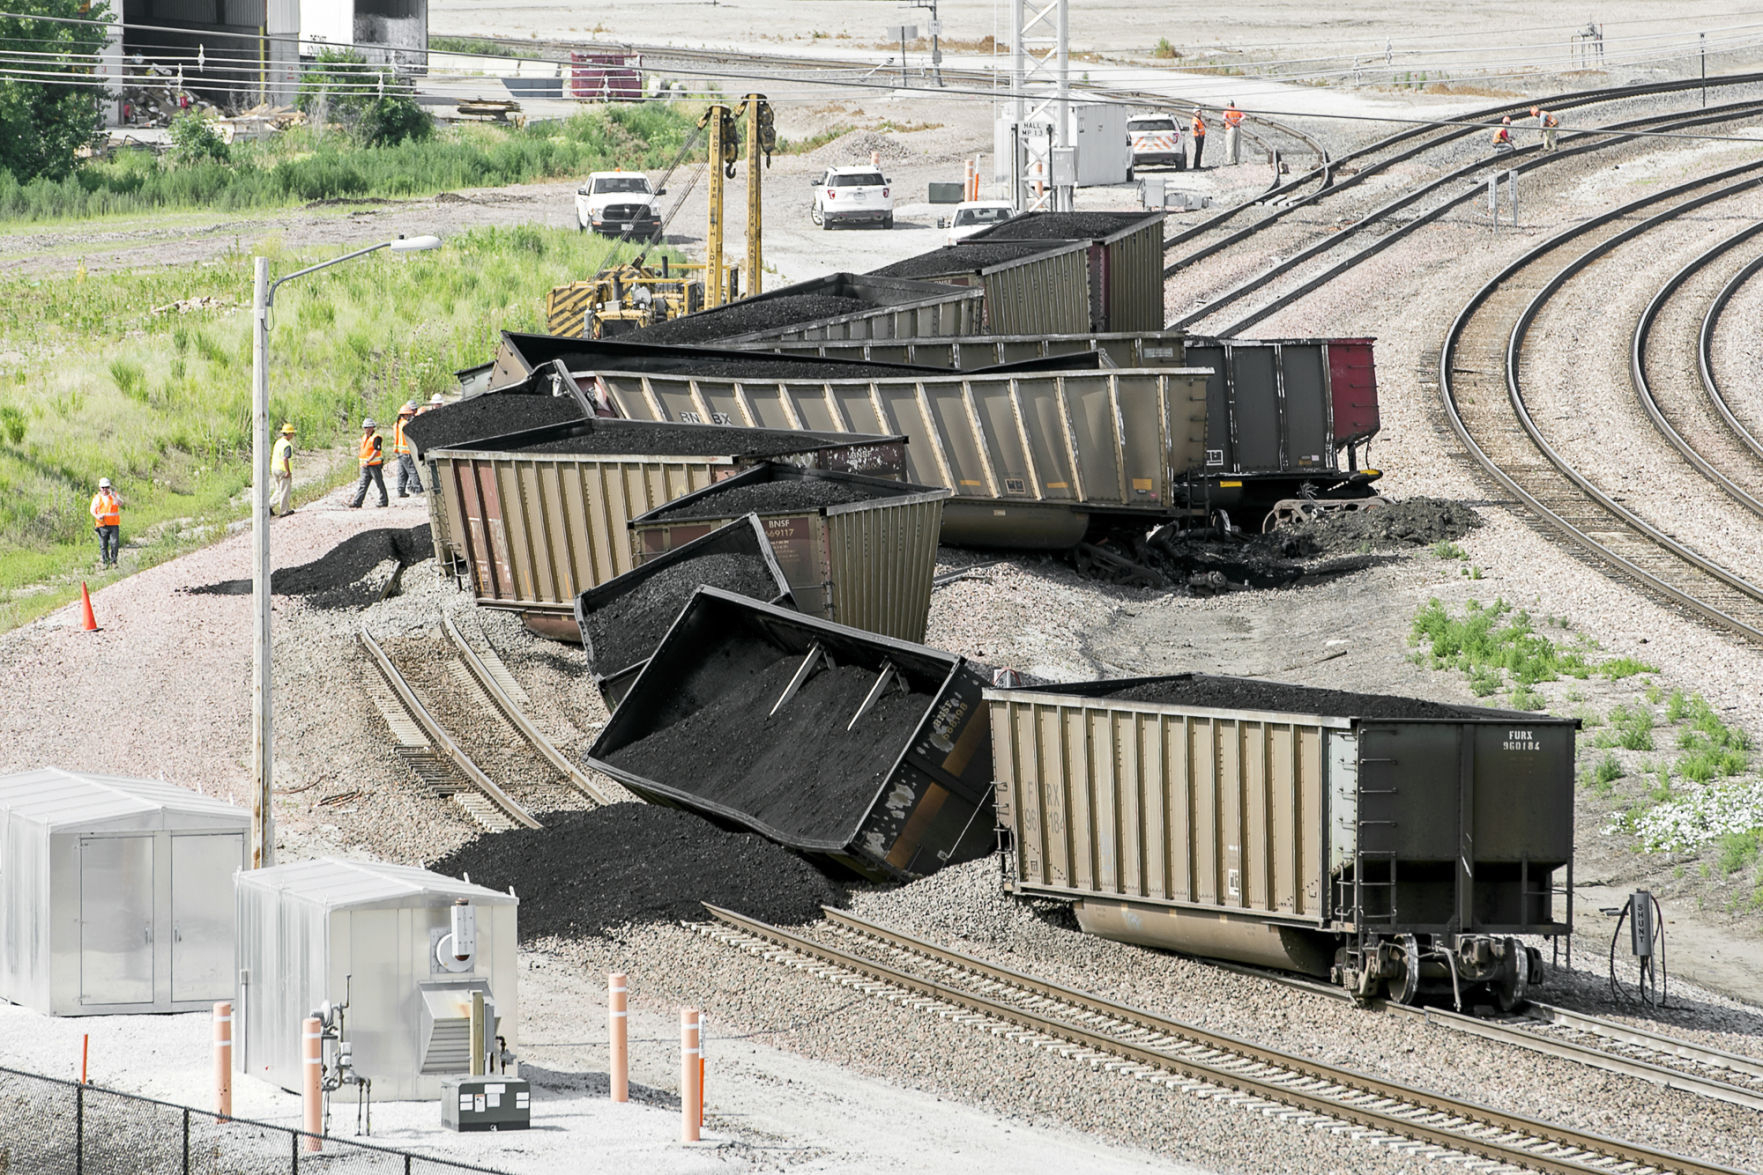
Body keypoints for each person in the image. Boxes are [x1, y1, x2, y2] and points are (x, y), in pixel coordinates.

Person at [349, 418, 388, 509]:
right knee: (363, 484)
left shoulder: (376, 437)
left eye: (367, 427)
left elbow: (376, 450)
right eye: (365, 427)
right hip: (365, 466)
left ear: (372, 428)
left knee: (379, 483)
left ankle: (384, 501)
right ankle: (357, 502)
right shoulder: (364, 437)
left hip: (374, 465)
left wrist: (369, 460)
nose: (366, 429)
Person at [392, 400, 424, 498]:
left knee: (402, 473)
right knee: (412, 471)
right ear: (405, 415)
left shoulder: (397, 424)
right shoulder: (406, 424)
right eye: (409, 414)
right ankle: (418, 490)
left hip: (399, 451)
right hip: (407, 451)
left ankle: (401, 491)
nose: (411, 415)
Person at [90, 477, 122, 568]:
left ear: (109, 487)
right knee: (103, 545)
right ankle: (105, 563)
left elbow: (120, 503)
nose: (105, 489)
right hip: (102, 525)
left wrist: (113, 496)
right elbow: (92, 510)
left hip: (113, 524)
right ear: (100, 488)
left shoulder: (114, 495)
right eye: (103, 487)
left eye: (106, 487)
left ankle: (114, 562)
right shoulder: (97, 498)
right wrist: (97, 516)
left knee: (114, 543)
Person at [270, 422, 296, 516]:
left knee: (278, 489)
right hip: (283, 470)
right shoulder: (287, 445)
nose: (293, 435)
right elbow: (285, 458)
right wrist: (288, 471)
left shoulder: (278, 442)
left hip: (274, 468)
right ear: (288, 434)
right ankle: (284, 511)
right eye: (292, 433)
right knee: (285, 490)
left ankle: (269, 505)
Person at [1222, 101, 1244, 165]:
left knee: (1230, 145)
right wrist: (1238, 122)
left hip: (1230, 128)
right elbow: (1244, 116)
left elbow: (1224, 118)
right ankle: (1237, 160)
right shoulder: (1237, 110)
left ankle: (1230, 160)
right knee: (1237, 145)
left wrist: (1231, 122)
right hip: (1237, 128)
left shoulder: (1227, 111)